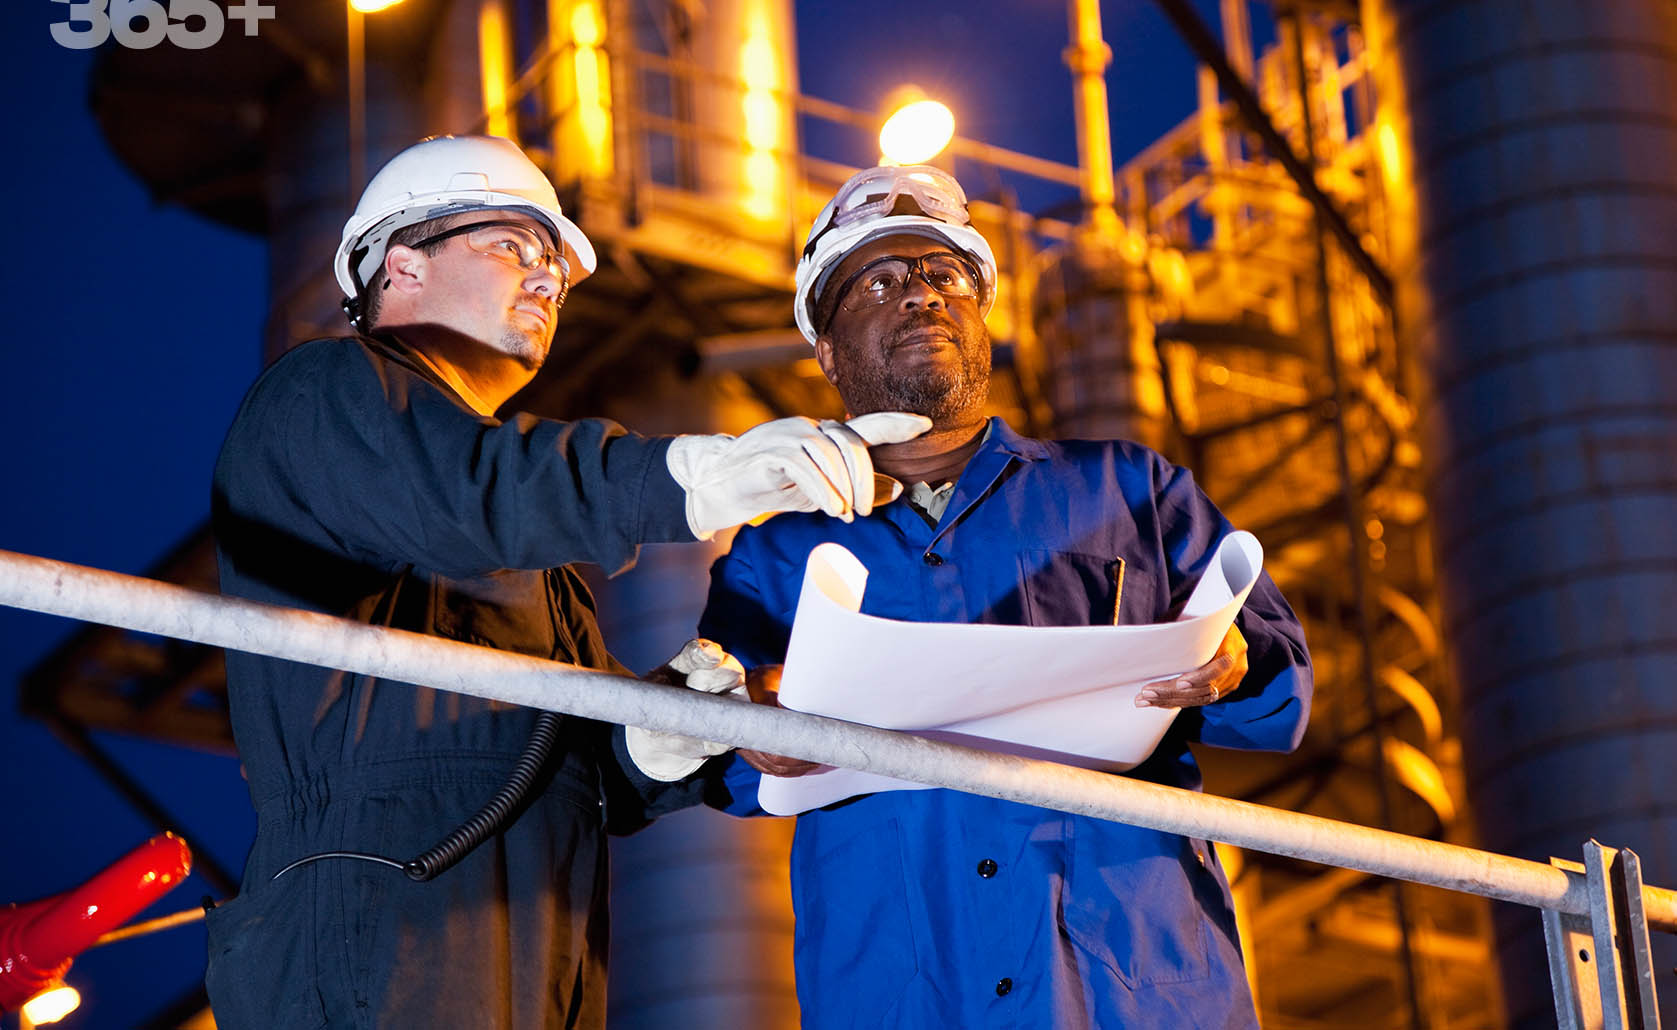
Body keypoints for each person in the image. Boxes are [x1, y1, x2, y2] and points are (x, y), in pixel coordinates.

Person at [204, 135, 927, 1029]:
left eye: (556, 264)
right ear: (401, 264)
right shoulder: (323, 395)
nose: (548, 279)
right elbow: (467, 494)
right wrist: (690, 476)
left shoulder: (519, 537)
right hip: (373, 921)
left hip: (532, 932)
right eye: (512, 245)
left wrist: (652, 744)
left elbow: (556, 763)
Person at [697, 164, 1313, 1029]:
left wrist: (1231, 664)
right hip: (905, 995)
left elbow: (1279, 702)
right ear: (827, 350)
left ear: (981, 316)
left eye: (944, 275)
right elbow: (715, 770)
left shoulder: (1127, 490)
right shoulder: (777, 554)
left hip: (1125, 985)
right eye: (879, 281)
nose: (920, 295)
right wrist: (753, 738)